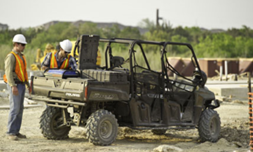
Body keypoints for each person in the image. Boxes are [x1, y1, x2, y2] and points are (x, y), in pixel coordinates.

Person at [3, 34, 30, 140]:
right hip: (15, 85)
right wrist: (13, 86)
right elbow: (8, 73)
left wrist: (27, 84)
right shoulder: (11, 56)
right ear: (16, 44)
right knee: (14, 109)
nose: (24, 47)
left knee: (20, 109)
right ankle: (10, 132)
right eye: (22, 44)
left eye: (24, 45)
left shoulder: (21, 56)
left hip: (21, 85)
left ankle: (16, 131)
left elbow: (23, 72)